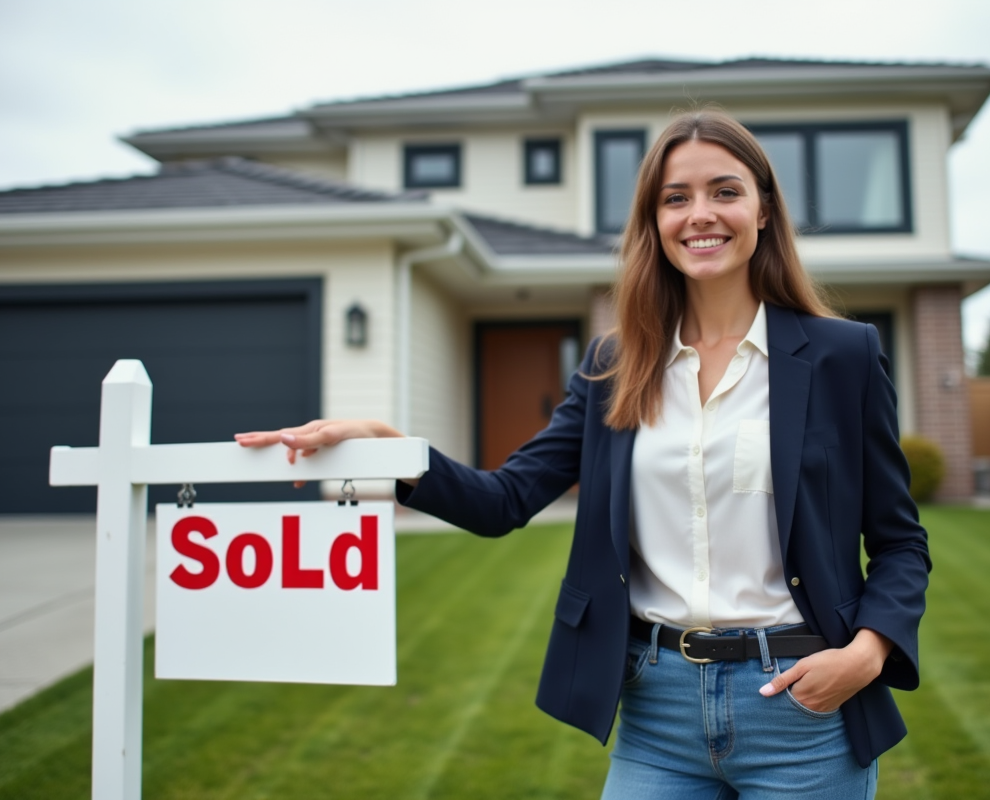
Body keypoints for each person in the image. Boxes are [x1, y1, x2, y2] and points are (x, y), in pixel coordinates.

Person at [236, 109, 929, 799]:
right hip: (657, 714)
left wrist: (866, 655)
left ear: (765, 211)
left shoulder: (844, 357)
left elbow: (899, 542)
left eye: (725, 191)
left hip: (803, 710)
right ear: (653, 222)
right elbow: (503, 501)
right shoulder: (614, 368)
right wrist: (392, 448)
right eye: (675, 198)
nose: (701, 215)